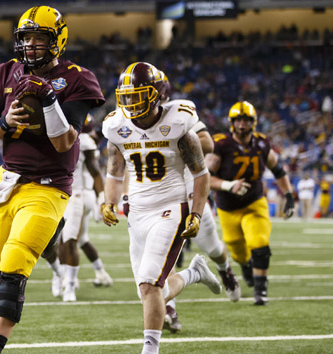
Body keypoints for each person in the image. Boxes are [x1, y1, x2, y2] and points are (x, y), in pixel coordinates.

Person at [0, 6, 104, 354]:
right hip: (8, 183)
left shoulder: (77, 77)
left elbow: (63, 141)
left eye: (39, 38)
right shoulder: (6, 72)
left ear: (58, 40)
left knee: (15, 263)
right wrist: (6, 124)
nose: (31, 45)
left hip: (48, 185)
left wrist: (49, 98)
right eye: (25, 38)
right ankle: (52, 238)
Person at [101, 62, 221, 354]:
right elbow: (115, 173)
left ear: (155, 95)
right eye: (126, 96)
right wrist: (109, 202)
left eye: (137, 94)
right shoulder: (117, 127)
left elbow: (201, 174)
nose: (130, 102)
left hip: (170, 208)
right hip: (137, 212)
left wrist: (195, 212)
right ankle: (194, 274)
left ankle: (150, 350)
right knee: (151, 290)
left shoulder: (178, 124)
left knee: (149, 284)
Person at [154, 73, 241, 333]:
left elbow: (208, 143)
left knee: (210, 245)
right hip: (157, 192)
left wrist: (170, 143)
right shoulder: (128, 122)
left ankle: (224, 269)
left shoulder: (178, 114)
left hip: (189, 184)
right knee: (161, 256)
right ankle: (169, 309)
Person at [206, 101, 295, 306]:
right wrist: (229, 185)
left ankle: (260, 290)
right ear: (232, 123)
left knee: (259, 243)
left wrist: (289, 195)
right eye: (238, 120)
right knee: (237, 251)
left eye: (246, 120)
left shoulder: (262, 144)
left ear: (253, 122)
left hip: (255, 202)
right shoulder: (221, 145)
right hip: (228, 208)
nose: (242, 124)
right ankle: (245, 265)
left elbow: (279, 171)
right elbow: (206, 177)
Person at [58, 114, 113, 302]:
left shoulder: (84, 141)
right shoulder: (56, 134)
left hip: (77, 194)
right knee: (79, 239)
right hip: (64, 193)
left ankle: (69, 284)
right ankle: (100, 272)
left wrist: (102, 199)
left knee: (69, 240)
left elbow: (95, 171)